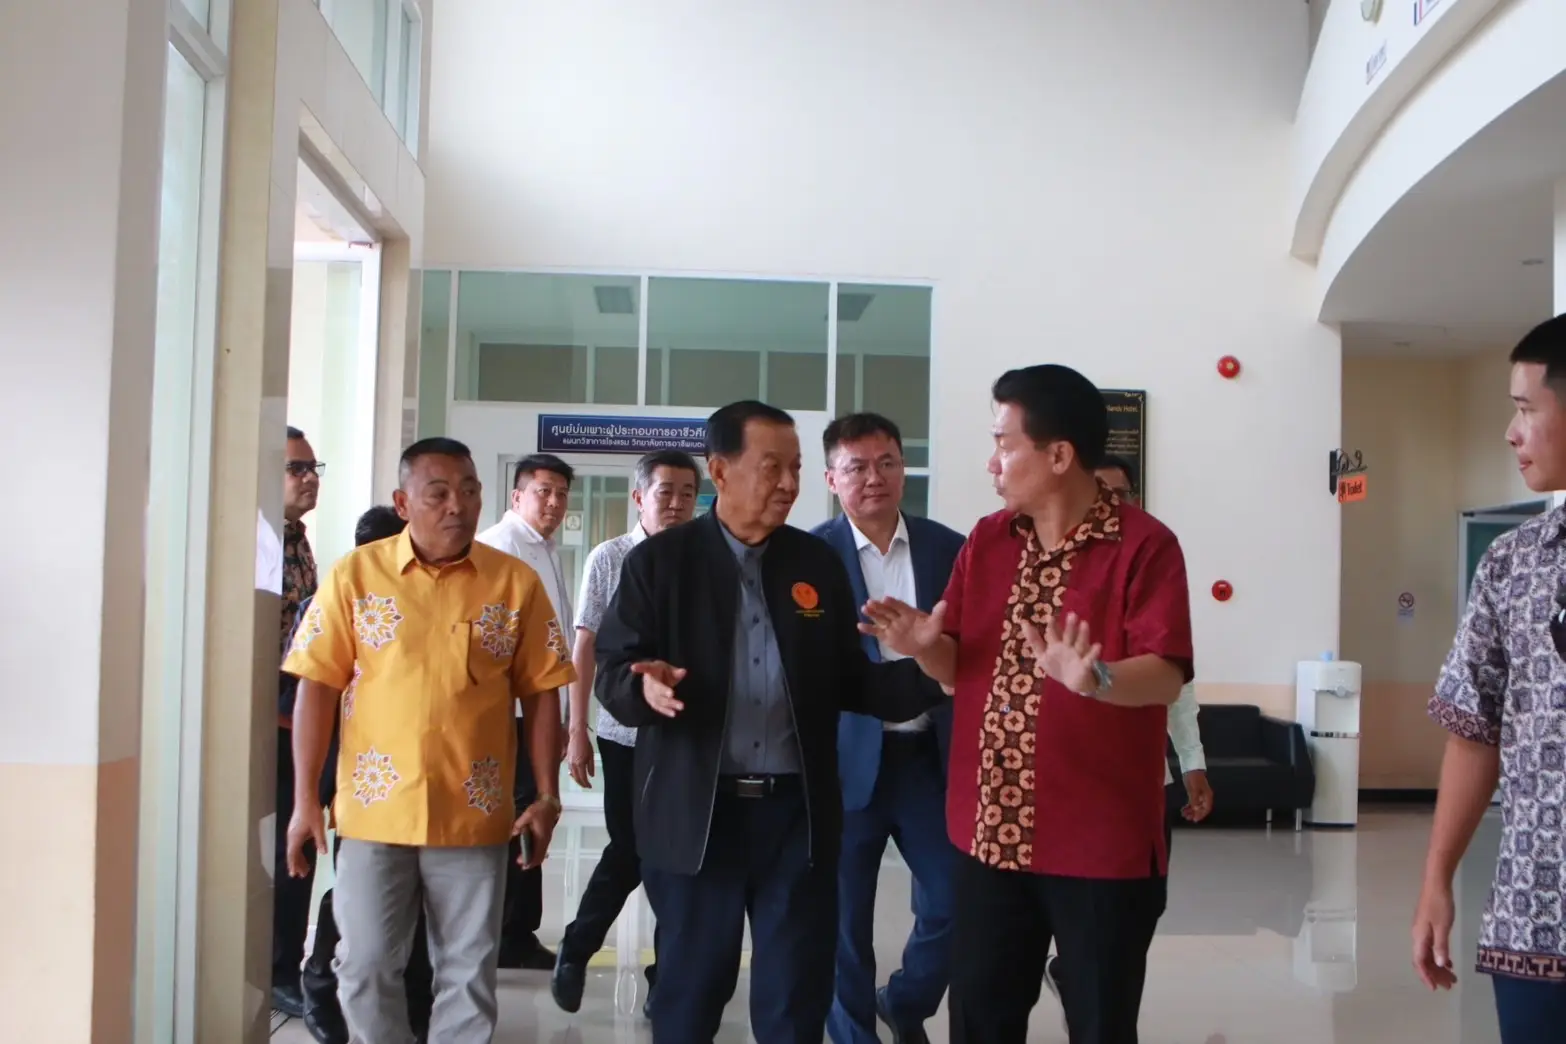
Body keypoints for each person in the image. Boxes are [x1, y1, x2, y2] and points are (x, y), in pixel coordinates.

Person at [594, 401, 947, 1044]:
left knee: (794, 1001)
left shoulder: (814, 563)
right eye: (772, 467)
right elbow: (612, 672)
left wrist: (934, 668)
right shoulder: (661, 564)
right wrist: (641, 687)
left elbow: (853, 680)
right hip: (699, 818)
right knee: (690, 997)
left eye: (797, 468)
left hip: (795, 819)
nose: (789, 484)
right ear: (720, 471)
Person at [862, 364, 1194, 1044]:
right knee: (981, 1020)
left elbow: (1165, 674)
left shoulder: (1144, 546)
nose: (992, 463)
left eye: (1004, 444)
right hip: (990, 830)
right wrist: (923, 648)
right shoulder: (988, 541)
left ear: (1059, 454)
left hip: (1098, 839)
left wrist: (1096, 679)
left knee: (1100, 1022)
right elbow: (957, 671)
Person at [284, 437, 574, 1044]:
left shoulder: (514, 583)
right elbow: (317, 684)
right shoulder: (355, 576)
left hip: (474, 812)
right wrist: (305, 799)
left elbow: (543, 692)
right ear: (403, 502)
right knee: (363, 965)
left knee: (468, 975)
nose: (456, 506)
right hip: (374, 811)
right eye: (438, 493)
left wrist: (547, 795)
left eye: (468, 491)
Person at [1413, 314, 1566, 1041]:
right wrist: (1436, 878)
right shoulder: (1513, 563)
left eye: (1526, 409)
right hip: (1535, 919)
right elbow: (1474, 733)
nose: (1512, 432)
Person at [1041, 454, 1212, 1021]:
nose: (1108, 505)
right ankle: (1078, 974)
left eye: (1119, 495)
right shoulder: (1053, 574)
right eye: (1099, 493)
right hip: (1064, 784)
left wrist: (1192, 761)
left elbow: (1176, 683)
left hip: (1139, 785)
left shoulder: (1149, 565)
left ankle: (1084, 978)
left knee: (1142, 907)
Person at [812, 413, 965, 1044]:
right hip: (843, 761)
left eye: (887, 463)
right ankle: (854, 1036)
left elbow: (971, 648)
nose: (874, 478)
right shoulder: (809, 556)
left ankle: (903, 1001)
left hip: (929, 757)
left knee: (955, 899)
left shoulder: (950, 549)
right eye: (857, 467)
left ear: (904, 469)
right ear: (832, 478)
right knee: (842, 920)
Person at [550, 449, 701, 1016]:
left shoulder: (702, 559)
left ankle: (667, 977)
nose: (677, 503)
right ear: (639, 497)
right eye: (666, 491)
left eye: (688, 493)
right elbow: (585, 646)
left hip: (686, 736)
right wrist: (576, 728)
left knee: (678, 853)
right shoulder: (610, 558)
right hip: (623, 733)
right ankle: (577, 947)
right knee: (632, 847)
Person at [292, 505, 435, 1044]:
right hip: (354, 773)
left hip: (421, 776)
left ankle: (414, 1007)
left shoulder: (429, 607)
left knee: (418, 897)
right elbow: (297, 697)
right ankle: (319, 982)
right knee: (358, 897)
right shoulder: (332, 603)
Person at [476, 452, 576, 970]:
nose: (554, 502)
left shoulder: (545, 549)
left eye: (561, 494)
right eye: (543, 491)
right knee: (518, 815)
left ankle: (517, 930)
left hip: (538, 709)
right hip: (510, 713)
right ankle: (506, 934)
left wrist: (563, 718)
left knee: (535, 809)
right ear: (517, 496)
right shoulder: (499, 546)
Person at [272, 425, 322, 1018]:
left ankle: (289, 963)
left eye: (313, 468)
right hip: (266, 725)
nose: (310, 478)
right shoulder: (258, 542)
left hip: (296, 721)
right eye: (296, 469)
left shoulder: (298, 542)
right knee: (286, 843)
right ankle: (277, 968)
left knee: (300, 839)